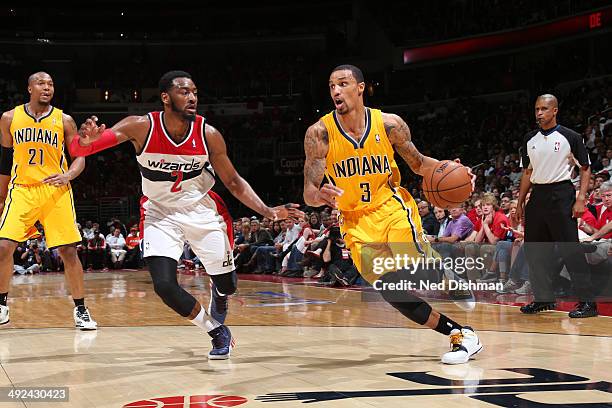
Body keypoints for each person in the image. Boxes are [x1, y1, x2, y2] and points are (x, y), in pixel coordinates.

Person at [72, 70, 302, 359]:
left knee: (228, 284)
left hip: (200, 211)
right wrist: (85, 141)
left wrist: (268, 211)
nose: (192, 97)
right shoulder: (141, 127)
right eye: (184, 91)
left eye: (194, 91)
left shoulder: (209, 134)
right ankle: (216, 332)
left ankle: (218, 292)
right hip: (159, 213)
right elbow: (80, 148)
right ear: (166, 97)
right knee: (164, 286)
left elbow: (233, 182)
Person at [303, 64, 481, 365]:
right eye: (331, 85)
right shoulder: (319, 133)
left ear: (360, 88)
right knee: (392, 291)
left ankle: (448, 277)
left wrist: (457, 172)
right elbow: (308, 190)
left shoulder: (389, 124)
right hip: (354, 221)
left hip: (391, 207)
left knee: (413, 261)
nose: (335, 90)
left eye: (343, 83)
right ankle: (461, 335)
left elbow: (419, 163)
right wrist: (318, 195)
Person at [0, 71, 96, 330]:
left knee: (68, 251)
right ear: (29, 88)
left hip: (56, 190)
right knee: (3, 247)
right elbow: (5, 161)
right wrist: (1, 196)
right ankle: (1, 306)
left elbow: (80, 156)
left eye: (51, 84)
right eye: (41, 83)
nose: (47, 88)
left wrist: (68, 175)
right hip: (21, 189)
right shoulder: (9, 118)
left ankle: (81, 309)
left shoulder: (64, 120)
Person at [517, 94, 597, 318]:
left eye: (544, 109)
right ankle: (544, 298)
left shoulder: (570, 136)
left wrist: (581, 198)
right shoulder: (529, 139)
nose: (539, 113)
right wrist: (520, 202)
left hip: (562, 193)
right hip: (537, 195)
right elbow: (527, 171)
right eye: (536, 109)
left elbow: (585, 167)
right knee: (535, 251)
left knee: (569, 249)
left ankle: (588, 302)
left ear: (555, 111)